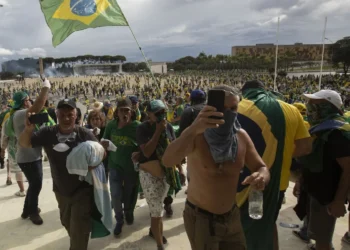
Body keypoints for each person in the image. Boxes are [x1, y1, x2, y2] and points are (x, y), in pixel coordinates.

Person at [163, 85, 270, 250]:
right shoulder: (196, 136)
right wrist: (193, 128)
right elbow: (168, 160)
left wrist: (262, 176)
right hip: (202, 219)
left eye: (233, 108)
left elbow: (261, 166)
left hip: (232, 215)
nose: (228, 113)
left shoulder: (241, 137)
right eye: (222, 108)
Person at [237, 80, 312, 250]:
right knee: (269, 223)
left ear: (245, 92)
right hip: (279, 182)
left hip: (248, 182)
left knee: (248, 231)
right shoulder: (291, 109)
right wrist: (282, 154)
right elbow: (306, 147)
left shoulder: (240, 107)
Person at [19, 99, 98, 250]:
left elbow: (101, 153)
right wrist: (28, 129)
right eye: (62, 115)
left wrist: (92, 164)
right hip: (61, 190)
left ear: (76, 116)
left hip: (82, 189)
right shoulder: (48, 133)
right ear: (56, 115)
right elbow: (25, 143)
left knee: (79, 228)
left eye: (70, 114)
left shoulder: (84, 134)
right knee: (67, 223)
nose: (66, 118)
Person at [297, 90, 350, 250]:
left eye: (315, 106)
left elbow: (348, 169)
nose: (309, 109)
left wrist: (339, 200)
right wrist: (301, 182)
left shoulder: (336, 133)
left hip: (327, 196)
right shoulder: (321, 128)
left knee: (322, 239)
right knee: (317, 234)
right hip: (315, 190)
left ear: (329, 107)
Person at [136, 100, 181, 250]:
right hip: (149, 174)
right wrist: (157, 132)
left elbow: (173, 148)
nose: (161, 115)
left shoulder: (168, 126)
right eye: (157, 113)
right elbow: (147, 152)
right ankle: (159, 245)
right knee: (156, 212)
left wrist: (180, 170)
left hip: (165, 172)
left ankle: (154, 233)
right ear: (149, 114)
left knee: (158, 209)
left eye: (163, 112)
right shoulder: (142, 128)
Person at [11, 83, 50, 225]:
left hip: (31, 156)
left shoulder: (21, 115)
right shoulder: (20, 114)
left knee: (34, 184)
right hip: (28, 158)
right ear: (23, 102)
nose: (30, 101)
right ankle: (33, 212)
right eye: (27, 99)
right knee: (36, 184)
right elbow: (39, 105)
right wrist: (45, 87)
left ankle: (26, 210)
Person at [102, 98, 140, 236]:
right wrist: (104, 145)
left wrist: (139, 153)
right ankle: (119, 220)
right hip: (114, 166)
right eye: (121, 110)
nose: (124, 113)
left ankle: (129, 211)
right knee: (116, 194)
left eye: (127, 110)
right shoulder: (111, 126)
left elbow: (144, 147)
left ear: (132, 112)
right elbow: (104, 140)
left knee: (129, 193)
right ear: (116, 112)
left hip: (131, 168)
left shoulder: (137, 127)